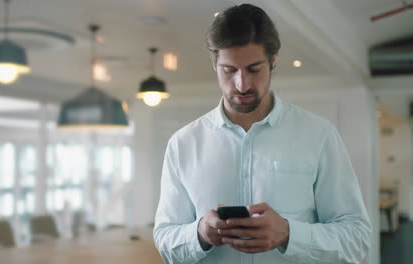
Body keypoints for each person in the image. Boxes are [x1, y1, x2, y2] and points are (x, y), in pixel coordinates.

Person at [153, 4, 371, 264]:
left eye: (254, 69)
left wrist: (290, 234)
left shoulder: (319, 135)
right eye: (229, 70)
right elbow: (165, 240)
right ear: (214, 63)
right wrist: (200, 232)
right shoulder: (183, 144)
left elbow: (357, 240)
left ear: (273, 60)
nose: (242, 84)